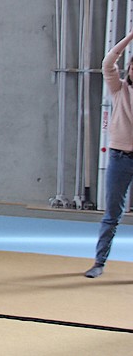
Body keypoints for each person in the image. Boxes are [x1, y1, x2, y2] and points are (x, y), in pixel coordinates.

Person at [85, 29, 133, 278]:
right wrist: (131, 37)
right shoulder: (119, 89)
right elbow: (108, 62)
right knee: (112, 214)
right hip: (119, 157)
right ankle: (99, 262)